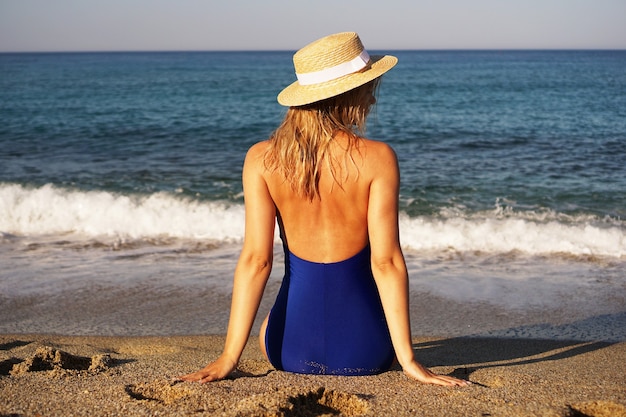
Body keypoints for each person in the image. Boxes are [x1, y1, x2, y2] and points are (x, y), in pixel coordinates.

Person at [178, 32, 469, 387]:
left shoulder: (261, 159)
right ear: (347, 95)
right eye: (368, 86)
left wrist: (228, 359)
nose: (373, 96)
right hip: (368, 352)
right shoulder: (378, 158)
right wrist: (408, 360)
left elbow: (257, 261)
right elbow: (386, 262)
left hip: (287, 350)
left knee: (272, 324)